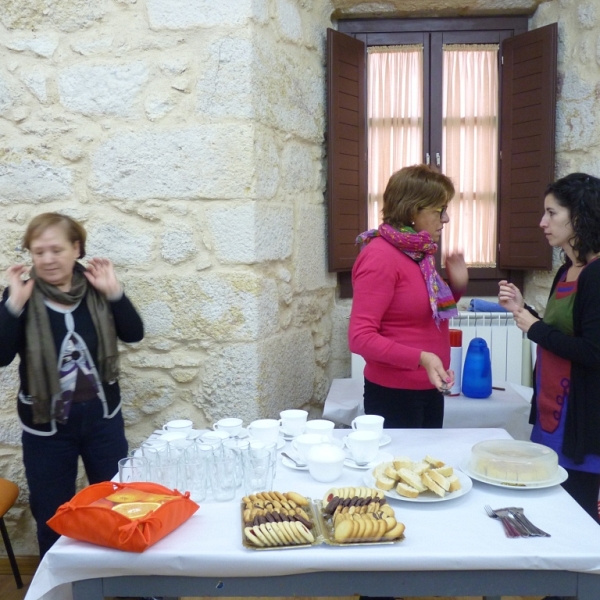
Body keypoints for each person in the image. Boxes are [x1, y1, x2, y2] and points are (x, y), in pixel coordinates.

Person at [0, 213, 144, 557]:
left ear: (76, 248)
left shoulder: (97, 286)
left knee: (117, 504)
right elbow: (1, 356)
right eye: (38, 252)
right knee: (52, 513)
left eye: (56, 249)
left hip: (102, 421)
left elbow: (134, 333)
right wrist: (12, 307)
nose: (47, 259)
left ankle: (125, 583)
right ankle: (62, 589)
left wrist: (115, 294)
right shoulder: (19, 292)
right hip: (46, 428)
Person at [499, 172, 600, 525]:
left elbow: (593, 351)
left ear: (580, 215)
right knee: (548, 504)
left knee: (576, 512)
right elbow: (561, 333)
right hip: (551, 407)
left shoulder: (596, 274)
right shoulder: (567, 269)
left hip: (580, 415)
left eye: (552, 213)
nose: (543, 223)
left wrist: (535, 328)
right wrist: (523, 310)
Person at [349, 164, 468, 429]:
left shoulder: (419, 254)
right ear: (413, 210)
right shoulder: (380, 257)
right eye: (439, 211)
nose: (446, 219)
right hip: (395, 395)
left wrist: (457, 287)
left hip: (428, 387)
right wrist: (422, 358)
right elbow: (360, 338)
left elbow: (417, 312)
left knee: (425, 468)